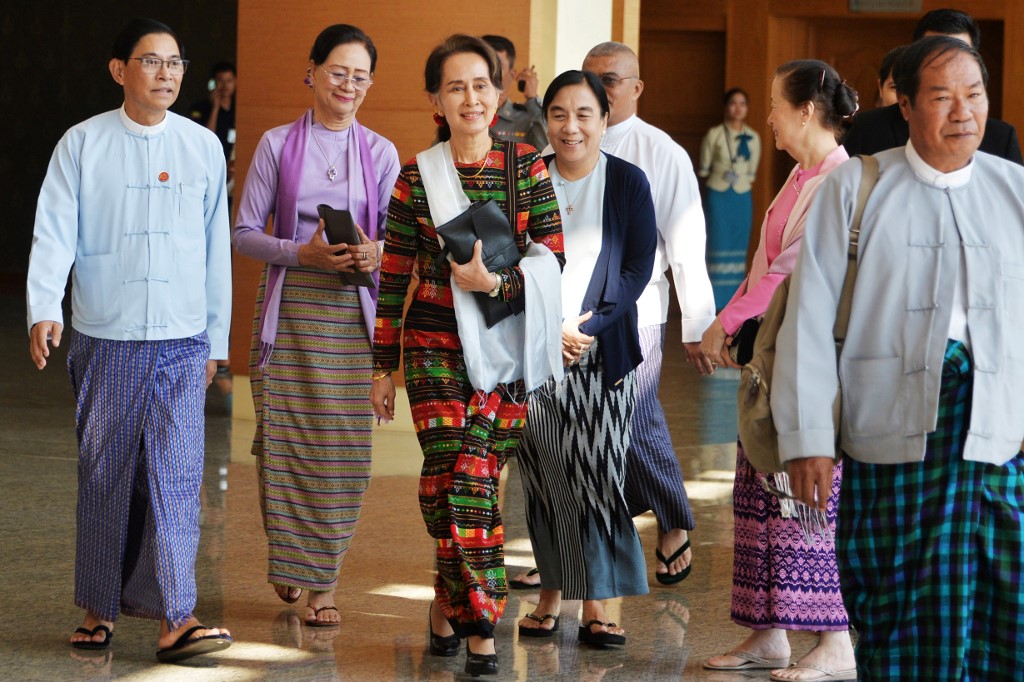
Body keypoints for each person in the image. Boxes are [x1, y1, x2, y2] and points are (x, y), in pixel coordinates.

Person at [778, 36, 1024, 680]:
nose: (963, 112)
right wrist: (808, 439)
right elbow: (807, 321)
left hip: (997, 437)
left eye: (975, 95)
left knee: (1004, 609)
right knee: (899, 607)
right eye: (943, 97)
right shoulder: (856, 189)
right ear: (907, 105)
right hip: (892, 437)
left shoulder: (1016, 191)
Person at [26, 17, 232, 662]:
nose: (167, 73)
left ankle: (177, 616)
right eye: (151, 61)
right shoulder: (82, 144)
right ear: (120, 71)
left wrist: (216, 341)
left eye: (175, 62)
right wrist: (42, 307)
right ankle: (99, 607)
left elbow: (214, 249)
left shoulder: (202, 146)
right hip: (105, 333)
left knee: (175, 476)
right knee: (106, 473)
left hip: (180, 338)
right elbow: (54, 231)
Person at [370, 34, 563, 677]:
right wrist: (380, 364)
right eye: (456, 87)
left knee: (467, 479)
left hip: (506, 345)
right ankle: (480, 618)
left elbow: (552, 260)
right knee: (452, 479)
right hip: (431, 346)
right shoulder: (413, 175)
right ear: (435, 100)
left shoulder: (528, 165)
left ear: (499, 91)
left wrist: (495, 285)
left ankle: (452, 605)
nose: (472, 98)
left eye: (481, 85)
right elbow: (393, 271)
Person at [233, 24, 399, 627]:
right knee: (286, 439)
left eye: (360, 77)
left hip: (352, 313)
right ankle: (291, 559)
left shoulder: (380, 152)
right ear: (312, 72)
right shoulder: (277, 145)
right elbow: (244, 231)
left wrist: (373, 253)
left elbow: (394, 241)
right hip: (289, 306)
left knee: (343, 449)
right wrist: (299, 253)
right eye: (337, 72)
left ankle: (322, 583)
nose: (348, 85)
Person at [701, 60, 857, 681]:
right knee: (758, 491)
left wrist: (726, 321)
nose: (767, 115)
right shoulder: (801, 174)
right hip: (771, 357)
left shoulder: (839, 181)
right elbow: (763, 259)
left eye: (774, 104)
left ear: (806, 111)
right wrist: (728, 319)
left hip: (810, 361)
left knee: (802, 498)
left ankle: (835, 641)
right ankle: (769, 633)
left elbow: (789, 272)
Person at [515, 69, 656, 647]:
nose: (570, 127)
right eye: (558, 114)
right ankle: (551, 593)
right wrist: (550, 331)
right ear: (545, 119)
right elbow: (507, 263)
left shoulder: (627, 181)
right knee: (546, 478)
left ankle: (599, 603)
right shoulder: (524, 181)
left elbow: (636, 270)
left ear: (604, 119)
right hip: (534, 353)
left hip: (603, 354)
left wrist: (589, 328)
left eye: (583, 115)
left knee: (597, 474)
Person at [584, 41, 715, 583]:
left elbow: (686, 242)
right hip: (572, 313)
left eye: (611, 80)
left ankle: (674, 519)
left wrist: (699, 325)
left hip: (639, 310)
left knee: (635, 416)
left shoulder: (662, 152)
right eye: (590, 79)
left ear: (637, 88)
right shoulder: (566, 137)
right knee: (578, 427)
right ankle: (564, 553)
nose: (599, 91)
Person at [843, 8, 1022, 163]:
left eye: (958, 53)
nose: (949, 65)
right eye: (937, 54)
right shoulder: (869, 129)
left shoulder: (1000, 138)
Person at [699, 87, 761, 310]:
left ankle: (734, 301)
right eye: (733, 103)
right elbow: (704, 169)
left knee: (738, 246)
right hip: (718, 195)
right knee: (716, 244)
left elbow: (752, 172)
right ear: (726, 107)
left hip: (742, 196)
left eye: (742, 104)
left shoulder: (754, 137)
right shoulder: (714, 134)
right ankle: (713, 302)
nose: (738, 108)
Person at [481, 35, 548, 150]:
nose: (490, 72)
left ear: (512, 74)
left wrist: (532, 99)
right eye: (484, 64)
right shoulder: (464, 113)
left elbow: (547, 150)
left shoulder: (526, 118)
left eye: (497, 65)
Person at [190, 61, 236, 162]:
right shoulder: (200, 108)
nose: (225, 85)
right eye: (220, 80)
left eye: (229, 81)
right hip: (209, 160)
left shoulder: (239, 108)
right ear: (213, 82)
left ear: (235, 82)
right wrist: (215, 108)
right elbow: (205, 138)